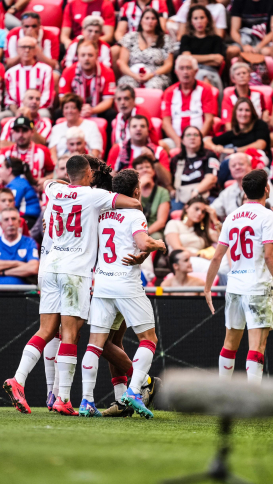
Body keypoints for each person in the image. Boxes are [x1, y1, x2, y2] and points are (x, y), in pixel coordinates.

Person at [3, 155, 142, 416]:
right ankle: (63, 398)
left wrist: (67, 182)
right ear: (89, 172)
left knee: (47, 331)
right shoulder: (94, 196)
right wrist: (135, 201)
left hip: (50, 267)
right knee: (70, 335)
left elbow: (47, 181)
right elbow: (131, 202)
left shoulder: (55, 190)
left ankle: (20, 380)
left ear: (68, 175)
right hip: (75, 272)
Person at [82, 169, 166, 417]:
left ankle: (87, 401)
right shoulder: (135, 213)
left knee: (96, 344)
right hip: (126, 284)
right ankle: (134, 391)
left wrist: (142, 253)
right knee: (149, 340)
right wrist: (157, 244)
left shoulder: (102, 213)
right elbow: (142, 242)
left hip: (102, 283)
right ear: (136, 191)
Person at [203, 169, 273, 382]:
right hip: (257, 287)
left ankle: (223, 396)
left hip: (235, 286)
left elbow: (217, 257)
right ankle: (252, 401)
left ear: (244, 191)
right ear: (266, 189)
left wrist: (207, 288)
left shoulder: (231, 217)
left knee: (230, 344)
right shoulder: (268, 216)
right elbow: (269, 256)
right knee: (257, 346)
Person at [160, 55, 217, 148]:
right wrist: (178, 142)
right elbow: (166, 123)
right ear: (176, 72)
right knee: (161, 147)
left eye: (188, 68)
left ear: (196, 71)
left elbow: (209, 120)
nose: (185, 72)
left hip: (201, 138)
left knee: (209, 145)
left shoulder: (205, 89)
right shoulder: (169, 92)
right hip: (176, 139)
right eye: (181, 68)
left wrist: (197, 139)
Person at [212, 152, 273, 219]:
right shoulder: (227, 192)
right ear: (230, 170)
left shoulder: (261, 183)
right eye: (233, 166)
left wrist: (259, 223)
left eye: (241, 164)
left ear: (250, 166)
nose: (237, 167)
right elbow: (212, 210)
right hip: (237, 231)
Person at [116, 8, 174, 90]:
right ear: (141, 21)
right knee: (126, 85)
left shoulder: (165, 39)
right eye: (147, 18)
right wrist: (134, 75)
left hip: (156, 76)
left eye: (153, 18)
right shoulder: (130, 37)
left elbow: (168, 65)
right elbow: (122, 63)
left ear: (157, 22)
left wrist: (152, 74)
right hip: (132, 75)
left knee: (153, 85)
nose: (150, 21)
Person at [59, 41, 117, 119]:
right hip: (74, 109)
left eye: (90, 55)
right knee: (58, 113)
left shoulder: (108, 72)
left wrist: (92, 110)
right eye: (83, 55)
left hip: (98, 109)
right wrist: (77, 110)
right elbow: (63, 98)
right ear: (78, 57)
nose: (86, 58)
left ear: (96, 56)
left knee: (111, 114)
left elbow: (108, 101)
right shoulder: (68, 72)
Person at [0, 207, 40, 284]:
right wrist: (18, 263)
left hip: (23, 294)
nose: (10, 223)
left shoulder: (29, 242)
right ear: (0, 224)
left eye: (13, 219)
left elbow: (34, 268)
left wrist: (3, 272)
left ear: (19, 222)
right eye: (6, 220)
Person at [205, 97, 271, 162]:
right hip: (239, 165)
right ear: (235, 112)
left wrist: (235, 150)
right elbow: (206, 141)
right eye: (240, 110)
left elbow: (261, 145)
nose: (243, 114)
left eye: (247, 110)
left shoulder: (259, 124)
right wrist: (215, 148)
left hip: (260, 163)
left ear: (252, 112)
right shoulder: (233, 132)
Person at [107, 114, 170, 181]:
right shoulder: (117, 149)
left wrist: (154, 160)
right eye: (134, 126)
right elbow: (109, 178)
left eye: (142, 126)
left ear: (148, 130)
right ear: (128, 130)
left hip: (151, 189)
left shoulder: (159, 151)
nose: (138, 129)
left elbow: (167, 182)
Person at [168, 127, 219, 208]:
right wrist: (172, 190)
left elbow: (212, 178)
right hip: (181, 197)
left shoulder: (209, 155)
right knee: (172, 209)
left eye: (196, 135)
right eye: (188, 135)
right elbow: (169, 181)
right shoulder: (176, 160)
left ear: (201, 139)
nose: (192, 137)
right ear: (182, 140)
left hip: (204, 195)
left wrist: (195, 191)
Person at [178, 5, 225, 91]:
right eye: (195, 18)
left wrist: (193, 58)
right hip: (190, 72)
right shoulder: (186, 38)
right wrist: (212, 57)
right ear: (191, 21)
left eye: (202, 17)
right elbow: (186, 58)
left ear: (207, 19)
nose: (199, 21)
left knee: (205, 77)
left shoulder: (216, 39)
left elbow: (218, 61)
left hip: (211, 72)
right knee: (202, 77)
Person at [3, 36, 54, 114]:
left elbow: (47, 97)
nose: (27, 50)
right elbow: (10, 99)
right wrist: (18, 112)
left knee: (44, 114)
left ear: (35, 50)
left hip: (38, 110)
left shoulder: (46, 70)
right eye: (23, 47)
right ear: (18, 50)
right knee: (2, 116)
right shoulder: (10, 73)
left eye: (30, 47)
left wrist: (31, 112)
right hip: (17, 111)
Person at [0, 116, 55, 185]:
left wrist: (46, 179)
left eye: (24, 130)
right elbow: (0, 177)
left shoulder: (43, 150)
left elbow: (54, 172)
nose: (21, 135)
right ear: (12, 133)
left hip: (36, 191)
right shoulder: (5, 152)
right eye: (17, 131)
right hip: (11, 192)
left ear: (32, 132)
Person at [49, 94, 104, 158]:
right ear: (63, 111)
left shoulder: (91, 126)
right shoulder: (56, 128)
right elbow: (52, 152)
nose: (69, 111)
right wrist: (58, 167)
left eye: (73, 107)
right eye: (66, 108)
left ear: (79, 110)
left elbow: (96, 151)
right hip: (62, 164)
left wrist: (85, 165)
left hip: (85, 163)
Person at [135, 154, 170, 238]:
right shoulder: (132, 191)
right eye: (140, 168)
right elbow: (134, 213)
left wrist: (144, 234)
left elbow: (161, 222)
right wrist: (140, 186)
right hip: (135, 228)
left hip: (152, 231)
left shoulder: (162, 192)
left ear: (153, 171)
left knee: (156, 237)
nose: (145, 170)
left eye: (147, 167)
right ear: (135, 173)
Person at [0, 155, 40, 224]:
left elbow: (9, 207)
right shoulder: (18, 181)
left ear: (9, 170)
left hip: (29, 219)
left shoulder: (17, 185)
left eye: (2, 167)